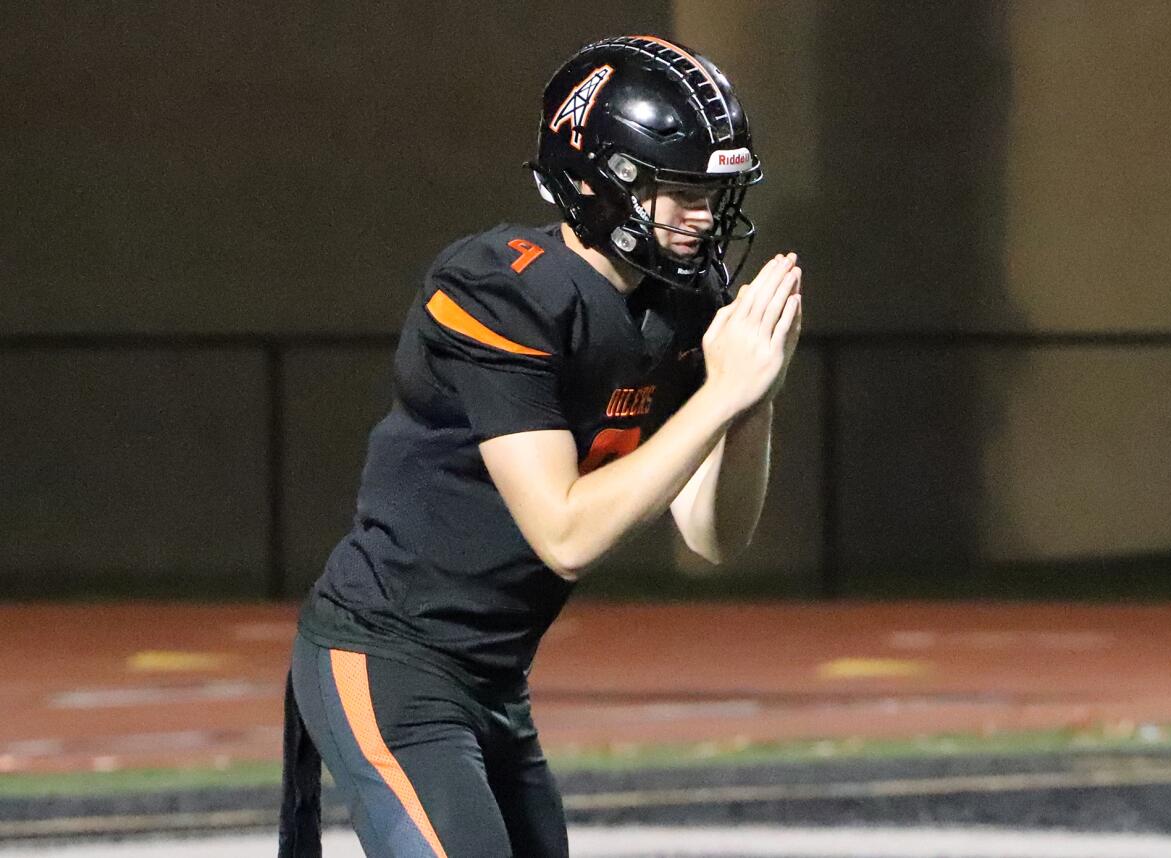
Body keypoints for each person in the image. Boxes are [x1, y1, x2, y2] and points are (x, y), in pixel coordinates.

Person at [278, 34, 802, 858]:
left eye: (715, 191)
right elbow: (565, 534)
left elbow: (711, 533)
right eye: (678, 190)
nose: (704, 218)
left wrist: (754, 401)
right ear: (597, 181)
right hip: (389, 658)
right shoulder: (500, 287)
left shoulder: (676, 304)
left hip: (492, 680)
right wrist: (724, 392)